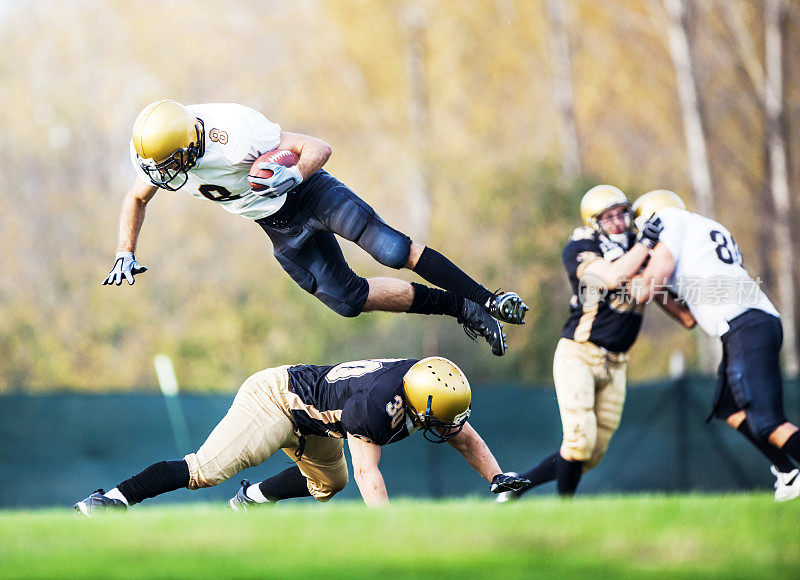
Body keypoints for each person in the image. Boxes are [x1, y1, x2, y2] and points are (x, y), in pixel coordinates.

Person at [102, 100, 530, 356]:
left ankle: (487, 299)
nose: (169, 173)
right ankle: (462, 309)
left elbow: (317, 147)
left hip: (310, 193)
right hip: (277, 223)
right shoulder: (161, 153)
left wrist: (294, 175)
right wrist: (126, 250)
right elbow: (136, 197)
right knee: (349, 300)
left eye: (175, 161)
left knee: (393, 251)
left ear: (191, 140)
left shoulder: (234, 131)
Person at [74, 356, 529, 514]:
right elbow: (371, 474)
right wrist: (394, 529)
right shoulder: (377, 405)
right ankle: (111, 499)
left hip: (318, 418)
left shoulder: (424, 386)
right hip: (277, 398)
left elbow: (463, 435)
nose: (446, 427)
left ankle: (250, 500)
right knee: (206, 470)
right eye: (438, 418)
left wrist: (497, 478)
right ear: (414, 399)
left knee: (330, 484)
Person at [496, 185, 695, 502]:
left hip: (617, 362)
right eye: (609, 216)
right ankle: (566, 511)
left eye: (622, 213)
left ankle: (518, 483)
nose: (618, 221)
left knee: (592, 453)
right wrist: (646, 245)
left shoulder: (637, 244)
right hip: (580, 353)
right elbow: (612, 277)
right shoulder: (582, 245)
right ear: (594, 221)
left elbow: (676, 308)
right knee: (579, 441)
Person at [628, 189, 800, 502]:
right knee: (728, 407)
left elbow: (645, 287)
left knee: (769, 422)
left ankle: (791, 471)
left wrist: (632, 271)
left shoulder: (667, 220)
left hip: (744, 325)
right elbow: (688, 319)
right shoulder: (700, 228)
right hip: (750, 323)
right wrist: (649, 281)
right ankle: (788, 472)